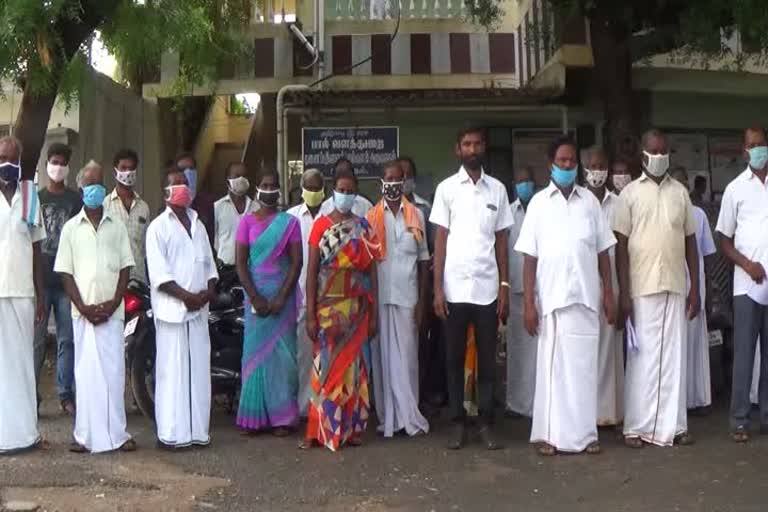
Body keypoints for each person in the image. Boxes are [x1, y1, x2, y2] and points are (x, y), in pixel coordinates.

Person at [516, 137, 616, 456]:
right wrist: (529, 303)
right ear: (551, 165)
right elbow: (529, 257)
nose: (567, 165)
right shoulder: (539, 204)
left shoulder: (590, 202)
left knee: (584, 371)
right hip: (553, 300)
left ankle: (586, 435)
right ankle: (549, 435)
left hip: (587, 298)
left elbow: (603, 252)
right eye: (562, 160)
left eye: (572, 161)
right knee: (553, 373)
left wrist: (610, 294)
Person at [614, 129, 700, 448]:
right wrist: (624, 291)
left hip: (675, 284)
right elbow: (620, 246)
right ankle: (636, 427)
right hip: (641, 287)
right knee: (643, 359)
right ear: (643, 155)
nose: (660, 158)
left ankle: (674, 426)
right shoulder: (630, 195)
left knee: (673, 358)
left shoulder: (680, 193)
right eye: (655, 152)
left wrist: (696, 289)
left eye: (665, 153)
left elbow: (690, 241)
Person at [430, 126, 513, 450]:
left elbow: (502, 241)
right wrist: (437, 290)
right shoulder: (446, 189)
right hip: (454, 287)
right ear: (458, 149)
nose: (472, 148)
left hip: (488, 289)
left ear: (484, 148)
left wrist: (505, 285)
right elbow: (440, 240)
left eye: (477, 143)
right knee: (452, 358)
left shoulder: (498, 190)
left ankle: (486, 423)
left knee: (488, 360)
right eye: (467, 143)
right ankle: (457, 423)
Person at [55, 164, 137, 454]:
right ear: (81, 190)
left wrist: (114, 302)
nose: (96, 189)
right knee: (86, 375)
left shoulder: (116, 226)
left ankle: (119, 434)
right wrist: (84, 307)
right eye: (90, 184)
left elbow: (126, 268)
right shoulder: (70, 229)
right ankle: (84, 436)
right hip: (83, 314)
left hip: (112, 313)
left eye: (99, 184)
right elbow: (65, 274)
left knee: (114, 375)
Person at [302, 171, 380, 451]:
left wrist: (374, 314)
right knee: (325, 368)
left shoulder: (364, 226)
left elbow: (372, 272)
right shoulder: (320, 225)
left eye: (350, 189)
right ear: (333, 192)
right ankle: (321, 429)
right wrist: (310, 314)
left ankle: (351, 429)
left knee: (353, 369)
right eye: (340, 189)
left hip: (356, 312)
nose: (345, 194)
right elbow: (311, 272)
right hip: (326, 309)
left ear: (356, 193)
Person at [146, 168, 218, 449]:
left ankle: (198, 432)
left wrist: (207, 292)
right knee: (172, 373)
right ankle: (172, 434)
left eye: (185, 184)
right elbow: (160, 276)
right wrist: (186, 297)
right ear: (165, 191)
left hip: (199, 312)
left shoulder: (198, 225)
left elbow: (209, 265)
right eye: (176, 184)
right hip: (172, 311)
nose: (182, 188)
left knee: (199, 372)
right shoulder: (157, 228)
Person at [235, 170, 302, 434]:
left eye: (274, 185)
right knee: (254, 356)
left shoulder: (290, 223)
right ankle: (255, 419)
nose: (269, 189)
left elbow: (297, 262)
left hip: (282, 300)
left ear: (280, 189)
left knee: (283, 360)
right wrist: (255, 297)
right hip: (256, 299)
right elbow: (241, 263)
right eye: (264, 185)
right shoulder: (246, 223)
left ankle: (282, 419)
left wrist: (281, 297)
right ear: (257, 188)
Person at [366, 161, 430, 438]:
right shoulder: (370, 217)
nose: (393, 183)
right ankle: (387, 417)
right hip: (381, 298)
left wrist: (422, 305)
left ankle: (409, 416)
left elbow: (423, 262)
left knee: (408, 358)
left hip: (408, 297)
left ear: (404, 182)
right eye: (388, 178)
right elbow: (367, 266)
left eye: (397, 178)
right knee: (382, 360)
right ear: (381, 182)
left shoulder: (415, 215)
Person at [716, 126, 768, 443]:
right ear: (744, 150)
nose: (758, 149)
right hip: (747, 284)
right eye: (753, 145)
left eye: (762, 144)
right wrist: (747, 264)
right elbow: (724, 239)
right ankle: (739, 419)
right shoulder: (736, 189)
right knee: (745, 352)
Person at [0, 136, 46, 454]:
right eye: (2, 156)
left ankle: (25, 434)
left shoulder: (30, 196)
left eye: (12, 159)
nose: (6, 163)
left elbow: (36, 247)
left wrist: (41, 293)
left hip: (23, 292)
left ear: (20, 162)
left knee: (22, 363)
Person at [34, 143, 80, 415]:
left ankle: (65, 395)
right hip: (40, 282)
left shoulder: (75, 201)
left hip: (65, 283)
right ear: (47, 164)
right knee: (37, 343)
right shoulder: (36, 199)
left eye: (63, 162)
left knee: (67, 340)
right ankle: (32, 397)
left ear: (68, 167)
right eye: (54, 161)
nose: (58, 166)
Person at [670, 166, 717, 414]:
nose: (680, 185)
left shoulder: (698, 214)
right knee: (676, 343)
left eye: (683, 181)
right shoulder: (666, 211)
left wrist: (707, 288)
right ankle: (678, 400)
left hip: (695, 284)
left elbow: (707, 256)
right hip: (672, 283)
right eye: (676, 180)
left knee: (695, 342)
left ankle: (697, 398)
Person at [583, 147, 624, 427]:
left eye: (601, 166)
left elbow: (622, 248)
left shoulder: (618, 203)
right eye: (592, 166)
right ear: (584, 169)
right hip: (584, 283)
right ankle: (585, 412)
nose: (597, 171)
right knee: (586, 348)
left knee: (610, 349)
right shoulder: (578, 201)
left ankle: (608, 413)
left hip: (612, 285)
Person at [398, 155, 443, 410]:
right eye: (398, 175)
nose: (403, 180)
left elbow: (431, 254)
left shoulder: (425, 209)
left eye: (407, 175)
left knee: (422, 342)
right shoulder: (380, 211)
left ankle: (422, 392)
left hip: (421, 287)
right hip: (396, 289)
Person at [287, 168, 326, 418]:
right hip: (298, 296)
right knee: (302, 357)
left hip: (329, 297)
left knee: (325, 357)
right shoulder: (290, 218)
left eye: (317, 188)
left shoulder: (332, 216)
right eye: (308, 188)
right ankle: (303, 410)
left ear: (324, 189)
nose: (312, 192)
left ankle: (322, 408)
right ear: (301, 189)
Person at [505, 165, 537, 417]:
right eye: (519, 181)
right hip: (516, 288)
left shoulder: (540, 208)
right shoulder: (508, 212)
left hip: (540, 289)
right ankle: (516, 403)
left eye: (527, 181)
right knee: (517, 351)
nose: (524, 185)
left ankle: (538, 403)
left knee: (539, 351)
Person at [103, 149, 151, 284]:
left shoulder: (143, 207)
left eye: (131, 168)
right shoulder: (105, 206)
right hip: (112, 281)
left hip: (138, 280)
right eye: (123, 168)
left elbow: (146, 247)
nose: (128, 172)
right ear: (115, 171)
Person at [214, 162, 258, 266]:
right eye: (237, 176)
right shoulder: (217, 207)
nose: (241, 179)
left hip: (251, 269)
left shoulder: (257, 208)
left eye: (244, 176)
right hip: (225, 270)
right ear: (227, 180)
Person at [176, 152, 215, 246]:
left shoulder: (208, 204)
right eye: (183, 169)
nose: (188, 172)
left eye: (191, 168)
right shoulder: (169, 207)